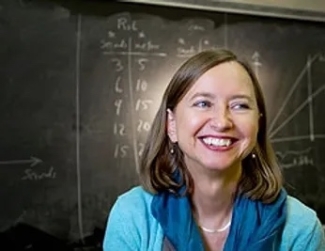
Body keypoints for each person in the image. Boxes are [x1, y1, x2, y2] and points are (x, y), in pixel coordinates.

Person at [103, 49, 325, 251]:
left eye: (240, 106)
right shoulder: (132, 215)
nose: (221, 122)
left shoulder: (301, 229)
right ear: (171, 124)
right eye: (203, 103)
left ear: (258, 125)